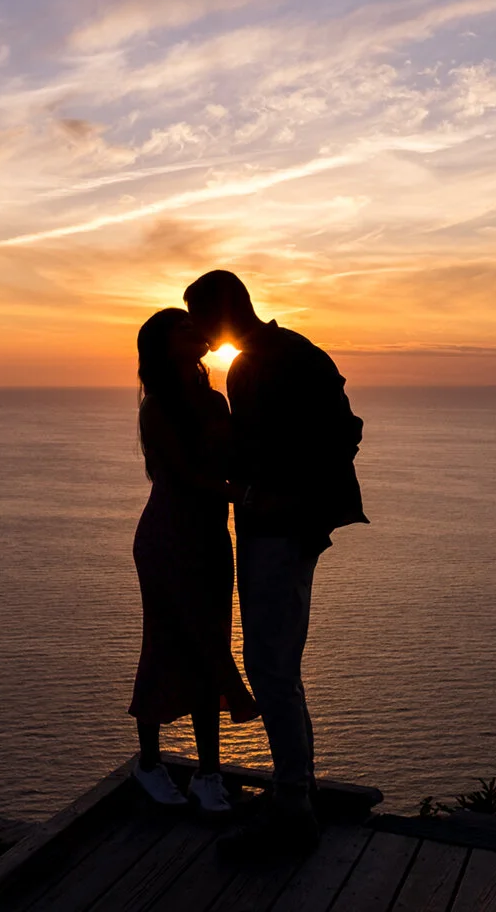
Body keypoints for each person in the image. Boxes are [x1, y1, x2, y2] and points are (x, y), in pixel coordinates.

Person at [184, 271, 365, 859]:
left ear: (224, 309)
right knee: (277, 664)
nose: (202, 335)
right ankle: (298, 792)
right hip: (270, 525)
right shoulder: (260, 361)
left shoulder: (288, 358)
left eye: (202, 320)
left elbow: (342, 434)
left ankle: (293, 811)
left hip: (281, 529)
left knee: (269, 668)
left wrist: (290, 501)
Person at [128, 308, 260, 814]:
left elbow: (234, 460)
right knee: (169, 644)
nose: (196, 328)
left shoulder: (214, 399)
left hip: (209, 538)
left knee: (210, 643)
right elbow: (183, 476)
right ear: (163, 345)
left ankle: (209, 774)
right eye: (183, 326)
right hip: (167, 538)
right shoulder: (158, 406)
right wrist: (245, 497)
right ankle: (149, 765)